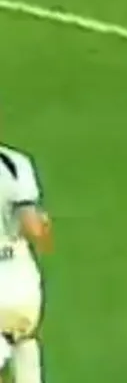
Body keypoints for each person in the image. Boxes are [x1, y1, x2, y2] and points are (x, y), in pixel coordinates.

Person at [0, 142, 51, 383]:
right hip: (20, 286)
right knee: (26, 344)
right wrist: (44, 228)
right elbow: (35, 229)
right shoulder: (14, 163)